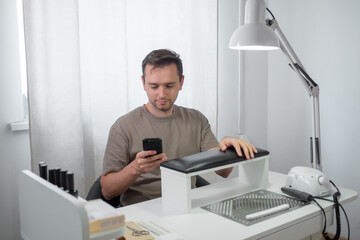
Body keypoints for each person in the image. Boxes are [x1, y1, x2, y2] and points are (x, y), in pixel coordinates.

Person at [101, 49, 257, 206]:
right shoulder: (123, 126)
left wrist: (226, 148)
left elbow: (224, 172)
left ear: (181, 82)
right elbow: (107, 191)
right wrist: (136, 168)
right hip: (141, 213)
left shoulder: (196, 120)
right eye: (154, 86)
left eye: (169, 85)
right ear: (143, 83)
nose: (161, 94)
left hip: (187, 208)